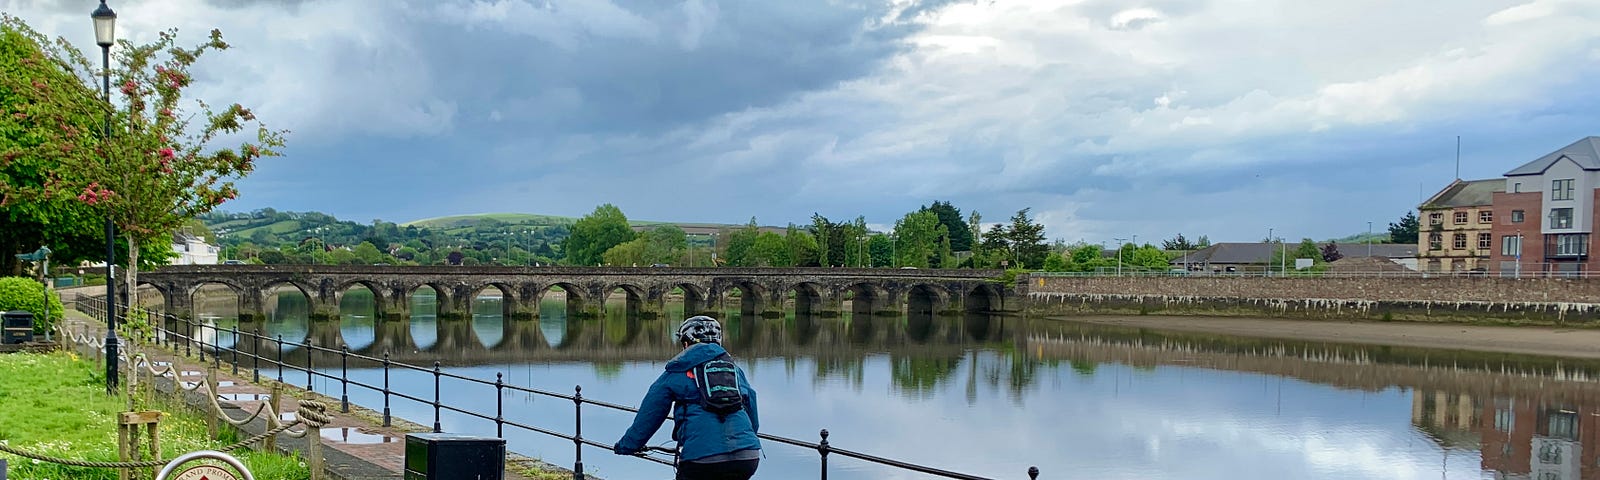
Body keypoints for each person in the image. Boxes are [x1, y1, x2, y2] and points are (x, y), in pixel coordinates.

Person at [614, 315, 761, 479]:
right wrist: (748, 438)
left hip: (701, 458)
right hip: (747, 455)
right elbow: (751, 405)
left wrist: (627, 446)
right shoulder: (734, 370)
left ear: (685, 344)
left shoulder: (676, 371)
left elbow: (650, 415)